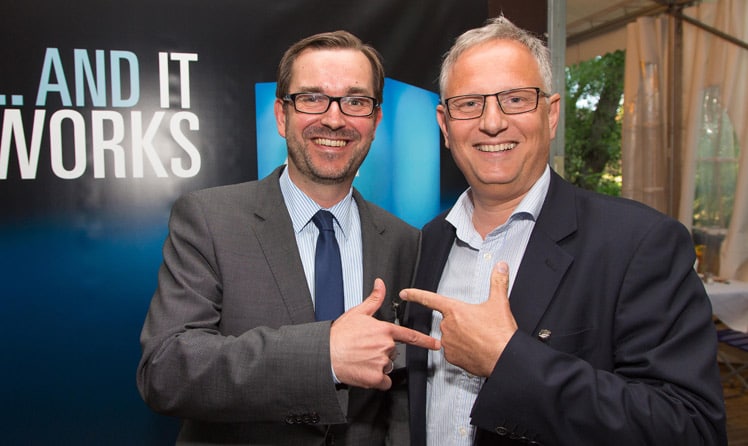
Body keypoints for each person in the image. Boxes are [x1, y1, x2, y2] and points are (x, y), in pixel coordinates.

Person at [399, 16, 727, 446]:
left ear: (551, 115)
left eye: (516, 99)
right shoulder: (428, 241)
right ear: (445, 125)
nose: (492, 122)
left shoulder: (640, 244)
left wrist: (508, 360)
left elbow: (691, 428)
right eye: (469, 103)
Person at [136, 30, 439, 445]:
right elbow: (166, 371)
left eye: (355, 101)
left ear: (375, 120)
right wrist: (324, 356)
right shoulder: (208, 220)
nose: (335, 119)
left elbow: (403, 394)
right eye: (312, 98)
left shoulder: (405, 241)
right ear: (282, 115)